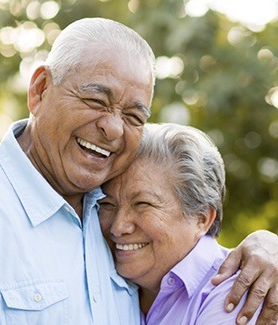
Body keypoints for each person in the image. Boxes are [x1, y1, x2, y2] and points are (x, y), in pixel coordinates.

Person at [0, 17, 276, 324]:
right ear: (39, 90)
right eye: (96, 100)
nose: (113, 128)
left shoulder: (110, 211)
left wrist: (266, 246)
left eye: (134, 117)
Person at [98, 123, 278, 325]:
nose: (118, 227)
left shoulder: (238, 291)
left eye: (142, 204)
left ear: (202, 218)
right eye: (107, 204)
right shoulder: (102, 275)